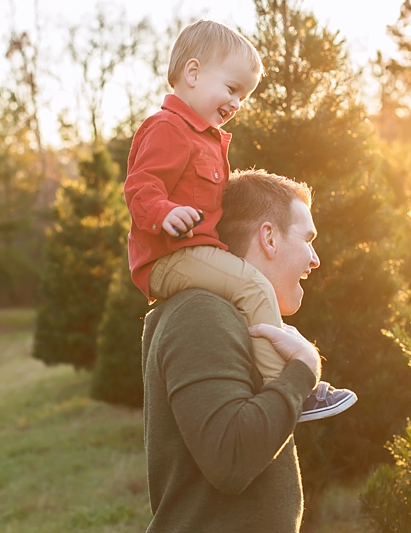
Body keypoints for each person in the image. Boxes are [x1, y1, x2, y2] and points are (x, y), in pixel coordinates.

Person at [125, 18, 355, 421]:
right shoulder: (167, 128)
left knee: (248, 288)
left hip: (192, 252)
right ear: (192, 73)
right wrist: (167, 213)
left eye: (243, 97)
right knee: (254, 286)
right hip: (168, 256)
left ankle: (264, 374)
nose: (236, 104)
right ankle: (284, 387)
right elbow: (140, 187)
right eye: (231, 89)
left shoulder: (205, 138)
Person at [142, 168, 332, 532]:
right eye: (308, 239)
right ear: (269, 238)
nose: (315, 259)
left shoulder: (227, 316)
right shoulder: (202, 313)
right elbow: (231, 460)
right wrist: (304, 368)